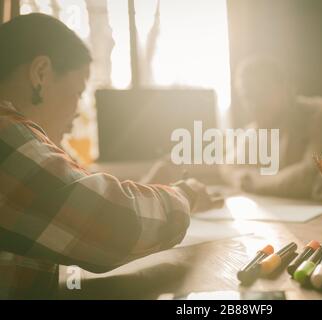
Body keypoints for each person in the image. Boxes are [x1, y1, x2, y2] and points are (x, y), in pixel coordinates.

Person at [0, 13, 218, 299]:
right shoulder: (5, 132)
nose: (77, 110)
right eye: (78, 92)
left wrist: (148, 186)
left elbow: (70, 189)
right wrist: (185, 195)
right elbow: (114, 221)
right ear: (40, 74)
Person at [221, 57, 322, 200]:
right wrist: (241, 177)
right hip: (274, 215)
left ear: (286, 87)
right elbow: (228, 165)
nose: (254, 105)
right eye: (247, 97)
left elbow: (314, 174)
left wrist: (255, 182)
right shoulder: (256, 129)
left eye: (261, 93)